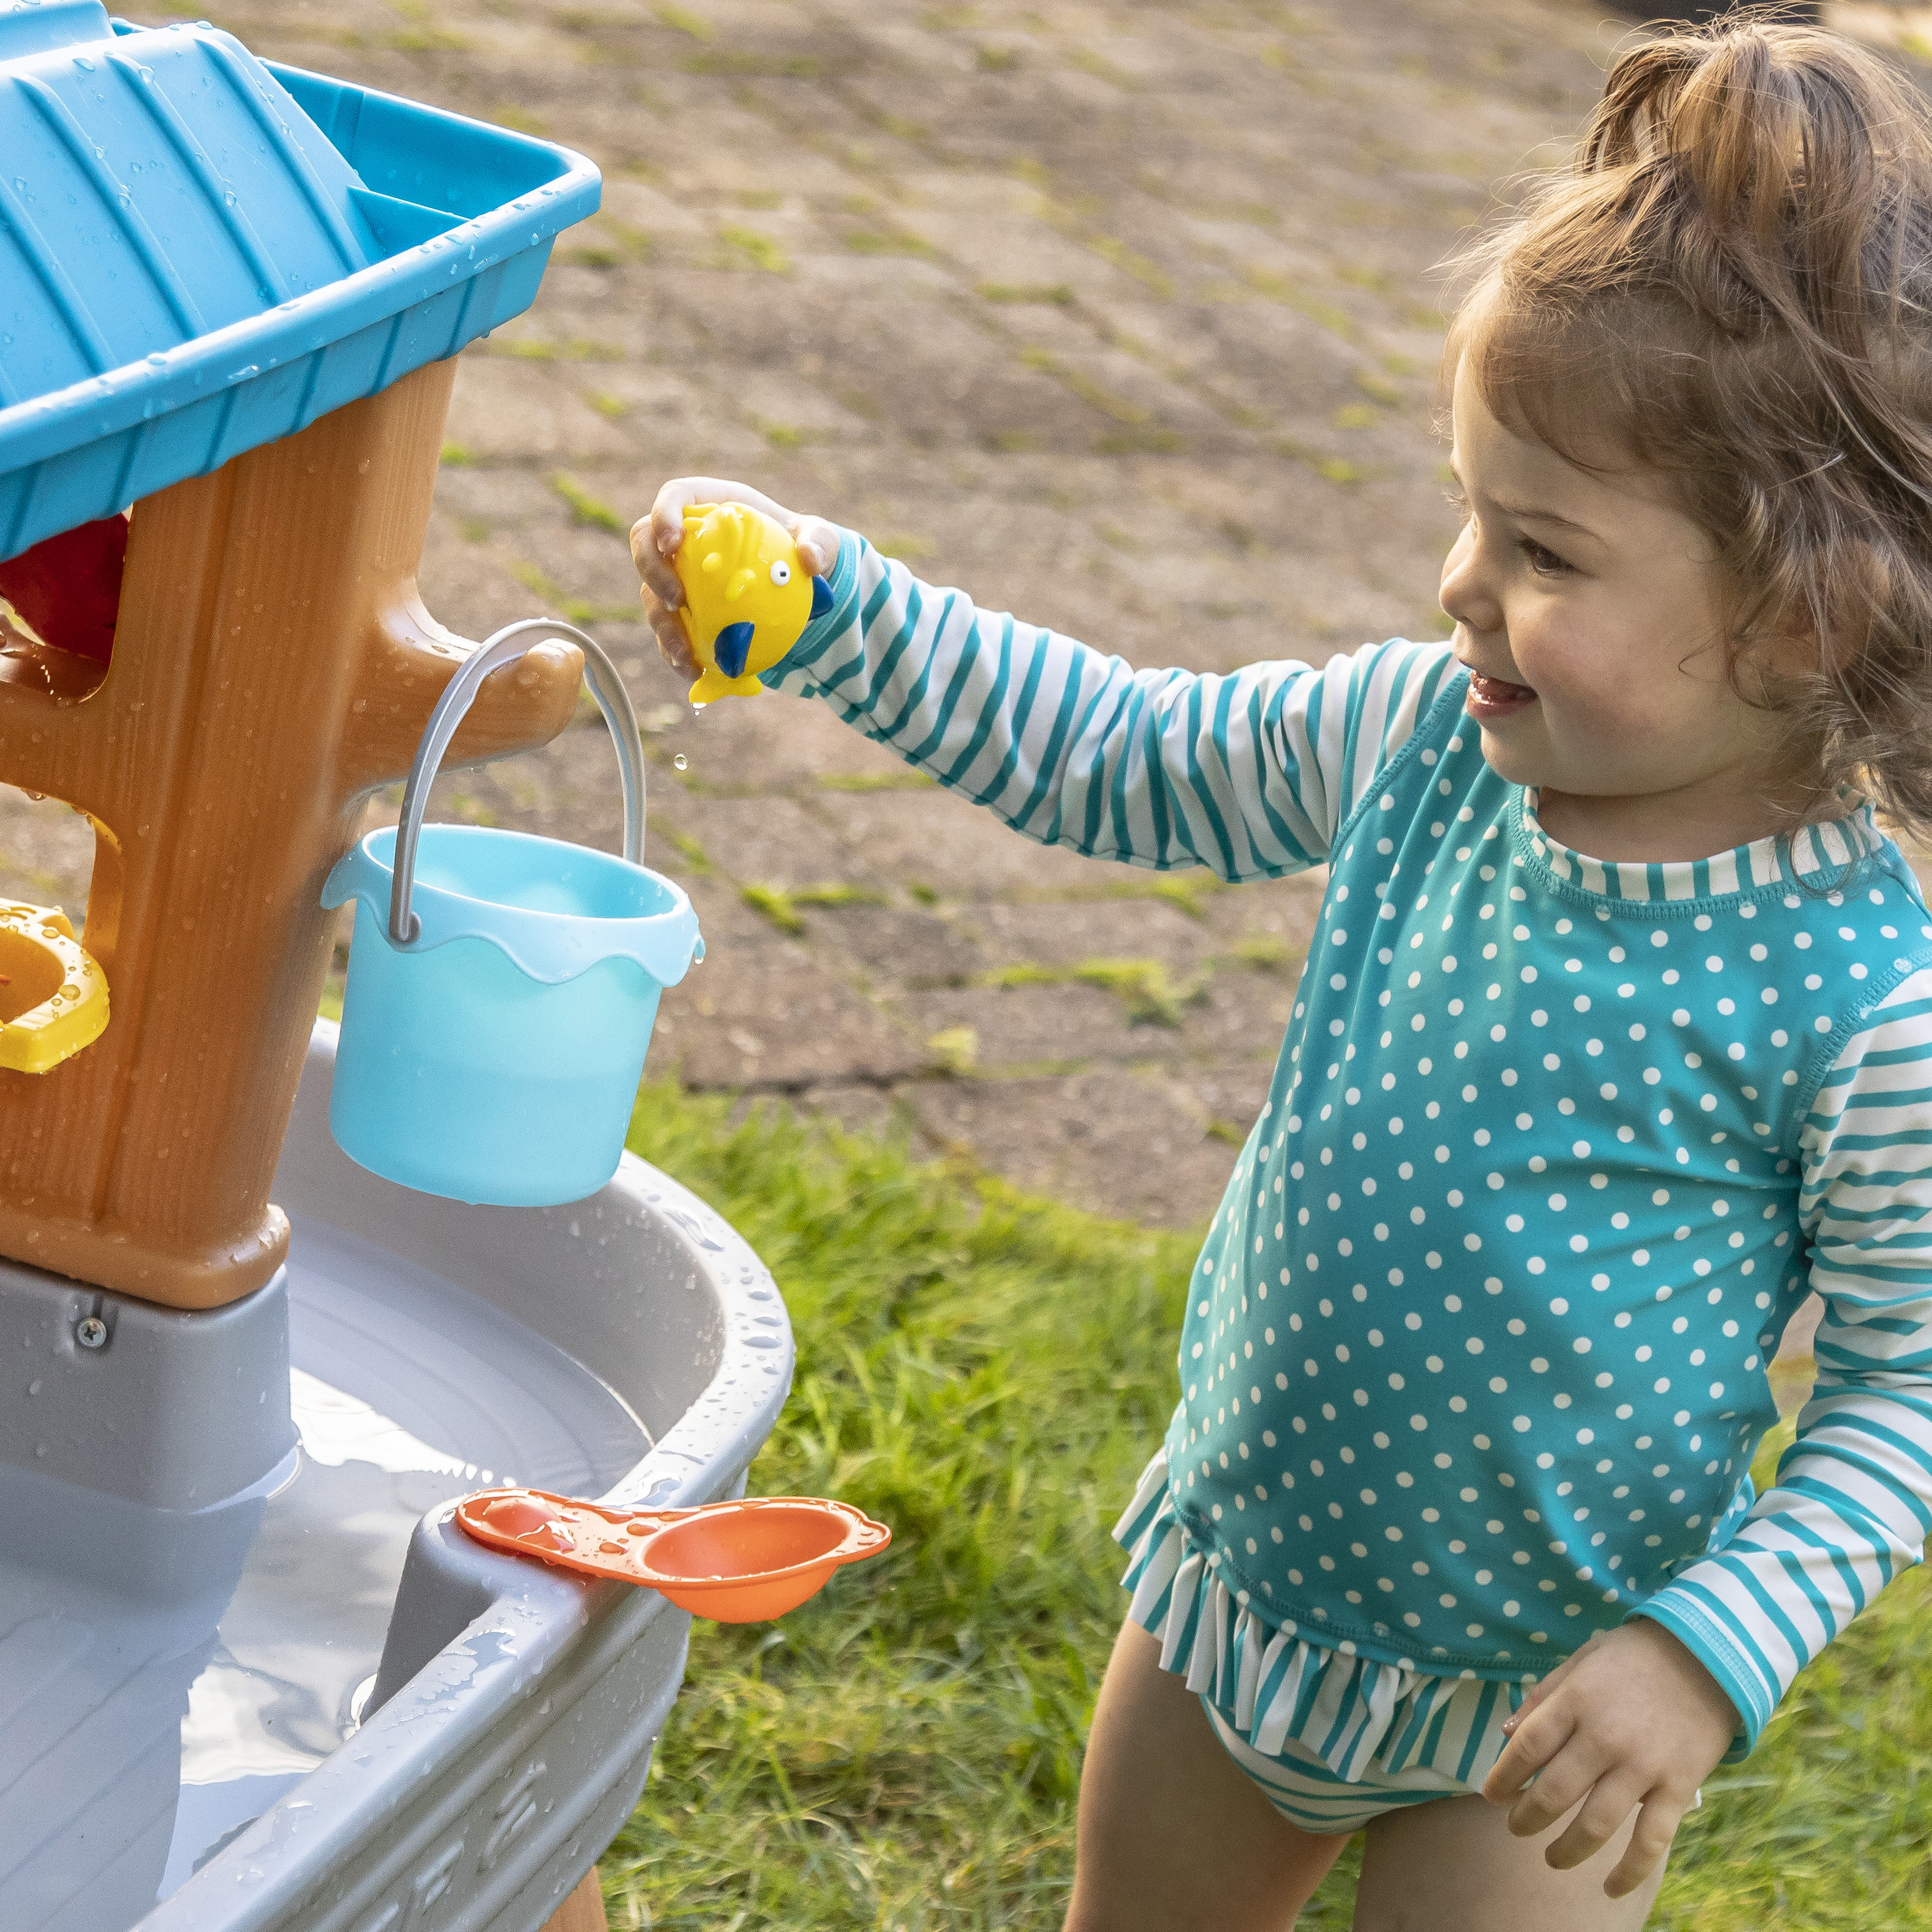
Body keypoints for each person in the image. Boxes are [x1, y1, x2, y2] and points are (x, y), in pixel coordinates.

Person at [630, 18, 1932, 1927]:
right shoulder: (1415, 737)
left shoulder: (1857, 1002)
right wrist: (847, 612)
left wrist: (1699, 1653)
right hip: (1239, 1606)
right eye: (1472, 507)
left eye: (1546, 546)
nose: (1460, 583)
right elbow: (1123, 752)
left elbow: (1900, 1394)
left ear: (1807, 615)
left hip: (1542, 1715)